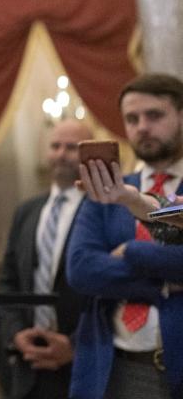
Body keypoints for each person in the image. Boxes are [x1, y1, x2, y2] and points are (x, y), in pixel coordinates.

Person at [68, 73, 183, 398]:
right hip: (117, 369)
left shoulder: (128, 196)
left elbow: (173, 214)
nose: (142, 127)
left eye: (154, 115)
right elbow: (82, 269)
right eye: (132, 118)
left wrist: (134, 251)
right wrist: (163, 285)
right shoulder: (110, 192)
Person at [0, 119, 92, 398]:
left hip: (84, 363)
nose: (61, 154)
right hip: (29, 370)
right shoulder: (26, 211)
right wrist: (16, 334)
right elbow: (8, 281)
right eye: (55, 146)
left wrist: (74, 344)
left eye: (72, 147)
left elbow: (109, 291)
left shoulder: (101, 208)